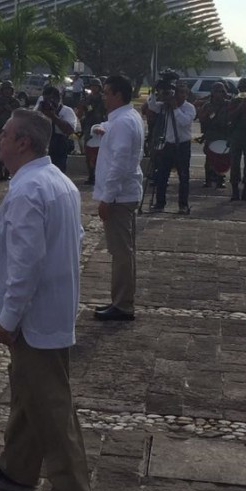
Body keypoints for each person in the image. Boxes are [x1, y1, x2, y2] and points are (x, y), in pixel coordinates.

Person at [0, 108, 92, 491]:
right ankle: (18, 464)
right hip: (50, 308)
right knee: (28, 389)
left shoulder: (30, 189)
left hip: (34, 315)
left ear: (23, 143)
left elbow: (25, 263)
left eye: (5, 134)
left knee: (50, 403)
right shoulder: (55, 180)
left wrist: (8, 317)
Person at [91, 75, 143, 322]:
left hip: (119, 197)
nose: (103, 97)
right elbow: (108, 127)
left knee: (121, 252)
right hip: (124, 194)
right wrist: (99, 128)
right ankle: (121, 300)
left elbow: (120, 162)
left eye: (107, 93)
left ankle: (122, 304)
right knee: (123, 251)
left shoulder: (123, 122)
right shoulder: (126, 118)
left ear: (118, 95)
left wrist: (107, 198)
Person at [145, 82, 196, 213]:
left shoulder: (189, 108)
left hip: (182, 146)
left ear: (187, 94)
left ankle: (183, 205)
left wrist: (175, 108)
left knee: (183, 176)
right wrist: (154, 92)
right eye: (178, 92)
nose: (181, 95)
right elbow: (152, 106)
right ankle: (160, 203)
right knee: (162, 175)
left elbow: (184, 122)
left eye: (184, 92)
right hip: (167, 145)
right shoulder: (165, 106)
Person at [34, 86, 79, 173]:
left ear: (58, 99)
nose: (49, 103)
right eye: (46, 100)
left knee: (58, 172)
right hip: (44, 145)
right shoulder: (40, 110)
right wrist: (39, 112)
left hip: (60, 147)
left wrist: (53, 116)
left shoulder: (66, 111)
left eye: (51, 100)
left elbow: (70, 131)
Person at [197, 82, 231, 188]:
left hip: (224, 134)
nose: (219, 94)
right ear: (212, 92)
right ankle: (208, 179)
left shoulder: (228, 104)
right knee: (210, 158)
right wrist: (207, 113)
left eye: (221, 91)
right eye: (216, 91)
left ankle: (221, 179)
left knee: (223, 158)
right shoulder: (208, 105)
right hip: (211, 134)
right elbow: (201, 118)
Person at [78, 79, 107, 186]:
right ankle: (91, 176)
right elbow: (81, 113)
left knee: (101, 153)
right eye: (92, 86)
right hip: (89, 127)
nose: (94, 88)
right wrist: (82, 105)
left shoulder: (103, 98)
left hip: (100, 126)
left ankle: (99, 176)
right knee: (89, 154)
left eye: (96, 86)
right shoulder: (87, 98)